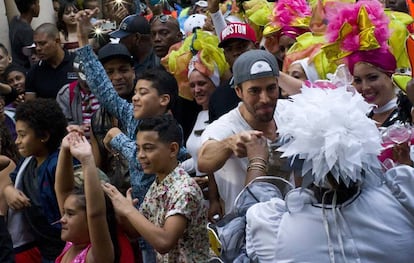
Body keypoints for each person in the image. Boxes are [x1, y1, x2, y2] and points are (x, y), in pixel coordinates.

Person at [245, 66, 414, 262]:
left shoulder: (279, 230)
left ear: (299, 164)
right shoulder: (400, 195)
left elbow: (248, 211)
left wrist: (257, 160)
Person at [75, 8, 186, 262]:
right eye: (135, 92)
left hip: (166, 225)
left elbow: (145, 161)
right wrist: (82, 40)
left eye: (143, 93)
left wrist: (117, 138)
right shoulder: (129, 114)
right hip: (139, 218)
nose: (134, 97)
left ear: (163, 100)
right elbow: (104, 90)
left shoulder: (171, 130)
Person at [102, 114, 209, 262]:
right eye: (138, 148)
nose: (140, 155)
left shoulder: (185, 190)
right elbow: (135, 233)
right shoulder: (158, 183)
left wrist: (129, 210)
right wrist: (123, 213)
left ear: (172, 149)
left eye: (148, 149)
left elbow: (164, 243)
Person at [198, 49, 291, 217]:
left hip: (291, 226)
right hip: (246, 233)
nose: (265, 99)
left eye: (271, 88)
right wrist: (229, 144)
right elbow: (204, 161)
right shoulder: (226, 127)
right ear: (238, 91)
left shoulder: (289, 113)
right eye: (254, 91)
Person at [1, 99, 67, 262]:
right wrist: (9, 191)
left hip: (64, 247)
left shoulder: (61, 165)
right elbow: (11, 180)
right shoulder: (28, 162)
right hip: (43, 249)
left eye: (23, 135)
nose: (17, 141)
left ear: (44, 135)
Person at [54, 132, 119, 263]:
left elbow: (96, 213)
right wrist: (65, 150)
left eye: (70, 214)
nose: (62, 219)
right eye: (65, 213)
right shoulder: (72, 243)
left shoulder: (97, 255)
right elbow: (62, 190)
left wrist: (87, 160)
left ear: (89, 220)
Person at [90, 43, 134, 193]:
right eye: (109, 72)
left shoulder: (145, 109)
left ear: (133, 72)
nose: (117, 77)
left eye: (123, 70)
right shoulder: (96, 118)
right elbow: (97, 166)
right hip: (112, 194)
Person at [207, 22, 257, 123]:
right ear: (225, 55)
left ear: (256, 46)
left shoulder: (276, 83)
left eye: (241, 46)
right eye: (229, 49)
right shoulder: (218, 97)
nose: (235, 53)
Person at [25, 23, 77, 101]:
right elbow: (30, 107)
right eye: (36, 44)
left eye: (42, 43)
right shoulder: (33, 72)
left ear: (57, 41)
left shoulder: (77, 62)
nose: (38, 48)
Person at [9, 0, 40, 70]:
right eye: (38, 3)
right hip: (24, 70)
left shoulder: (15, 20)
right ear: (32, 6)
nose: (39, 6)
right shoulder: (26, 31)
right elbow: (33, 58)